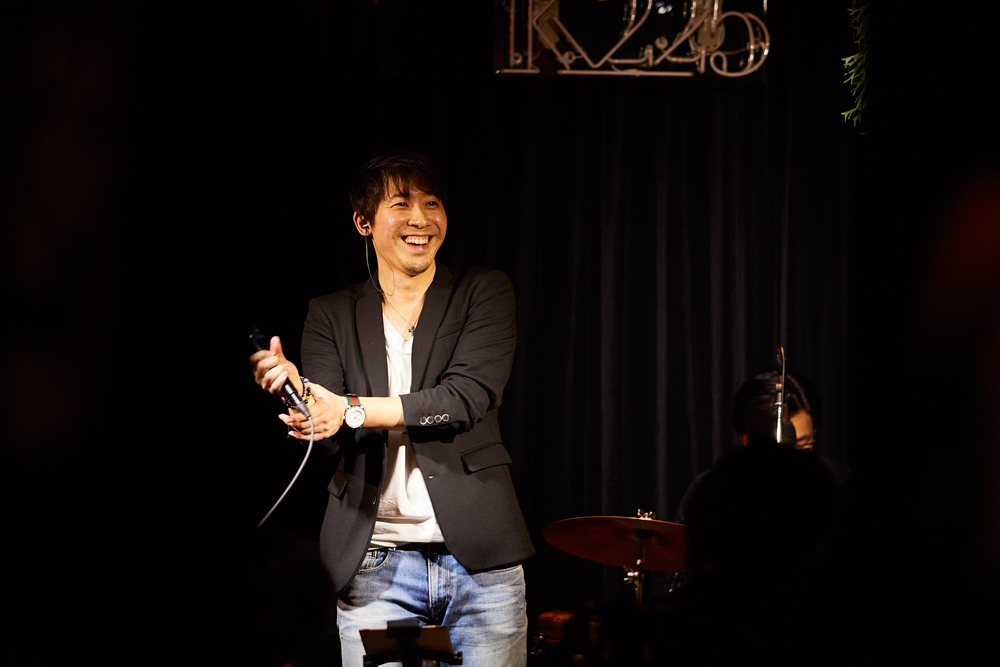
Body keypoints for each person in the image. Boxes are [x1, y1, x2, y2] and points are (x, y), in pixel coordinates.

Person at [249, 150, 534, 666]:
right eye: (401, 204)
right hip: (374, 561)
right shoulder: (330, 314)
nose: (421, 219)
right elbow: (330, 433)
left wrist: (350, 408)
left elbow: (464, 398)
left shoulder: (483, 291)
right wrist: (301, 400)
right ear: (364, 222)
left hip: (480, 563)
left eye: (432, 203)